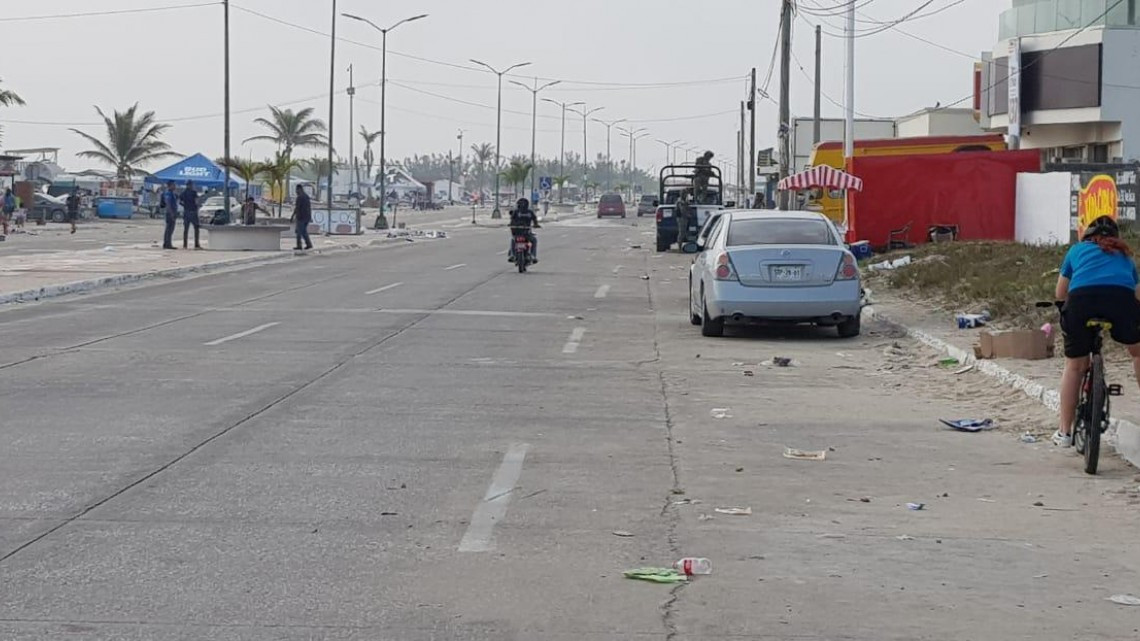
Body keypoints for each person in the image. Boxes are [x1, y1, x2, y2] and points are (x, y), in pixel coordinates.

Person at [1053, 215, 1140, 447]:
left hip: (1082, 303)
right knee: (1138, 352)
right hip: (1120, 302)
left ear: (1088, 235)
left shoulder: (1077, 250)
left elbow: (1060, 293)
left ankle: (1064, 433)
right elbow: (1137, 295)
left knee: (1075, 366)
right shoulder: (1125, 256)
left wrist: (1065, 309)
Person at [507, 197, 540, 263]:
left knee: (513, 240)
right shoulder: (529, 212)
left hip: (519, 233)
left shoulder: (517, 211)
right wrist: (536, 224)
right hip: (525, 233)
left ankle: (513, 255)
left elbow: (512, 220)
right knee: (533, 240)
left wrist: (511, 225)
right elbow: (534, 219)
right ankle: (533, 256)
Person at [179, 179, 201, 249]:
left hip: (186, 212)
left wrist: (185, 205)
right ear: (191, 185)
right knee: (196, 228)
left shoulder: (183, 193)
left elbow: (180, 202)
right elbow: (196, 202)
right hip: (193, 212)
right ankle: (196, 244)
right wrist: (196, 207)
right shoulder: (194, 193)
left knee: (186, 229)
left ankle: (185, 245)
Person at [291, 184, 313, 250]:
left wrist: (292, 216)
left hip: (301, 217)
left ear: (299, 189)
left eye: (296, 190)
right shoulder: (306, 196)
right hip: (307, 217)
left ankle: (299, 245)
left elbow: (297, 208)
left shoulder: (300, 197)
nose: (296, 191)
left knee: (299, 232)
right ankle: (309, 244)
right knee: (303, 231)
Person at [160, 181, 179, 249]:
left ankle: (168, 243)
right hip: (170, 213)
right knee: (169, 229)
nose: (175, 186)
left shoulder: (172, 193)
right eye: (174, 185)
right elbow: (168, 204)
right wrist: (171, 213)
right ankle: (167, 244)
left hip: (172, 212)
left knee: (170, 229)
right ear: (170, 186)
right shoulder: (168, 193)